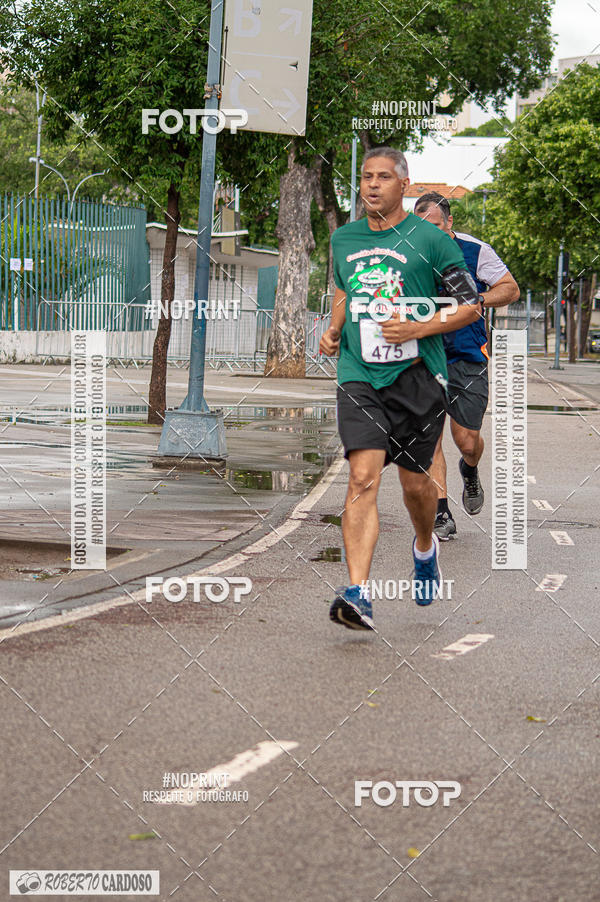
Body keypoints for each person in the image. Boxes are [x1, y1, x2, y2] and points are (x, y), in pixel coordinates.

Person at [318, 148, 481, 631]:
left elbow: (470, 305)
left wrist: (417, 327)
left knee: (416, 488)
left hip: (418, 377)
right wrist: (332, 329)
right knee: (362, 477)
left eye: (383, 178)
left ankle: (425, 548)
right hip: (360, 374)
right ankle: (358, 594)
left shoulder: (430, 240)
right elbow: (346, 290)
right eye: (366, 177)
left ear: (403, 185)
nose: (372, 186)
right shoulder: (343, 238)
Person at [413, 192, 519, 540]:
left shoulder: (476, 251)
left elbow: (510, 289)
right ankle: (441, 512)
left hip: (467, 356)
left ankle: (469, 469)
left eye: (435, 228)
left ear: (450, 224)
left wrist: (477, 300)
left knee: (467, 440)